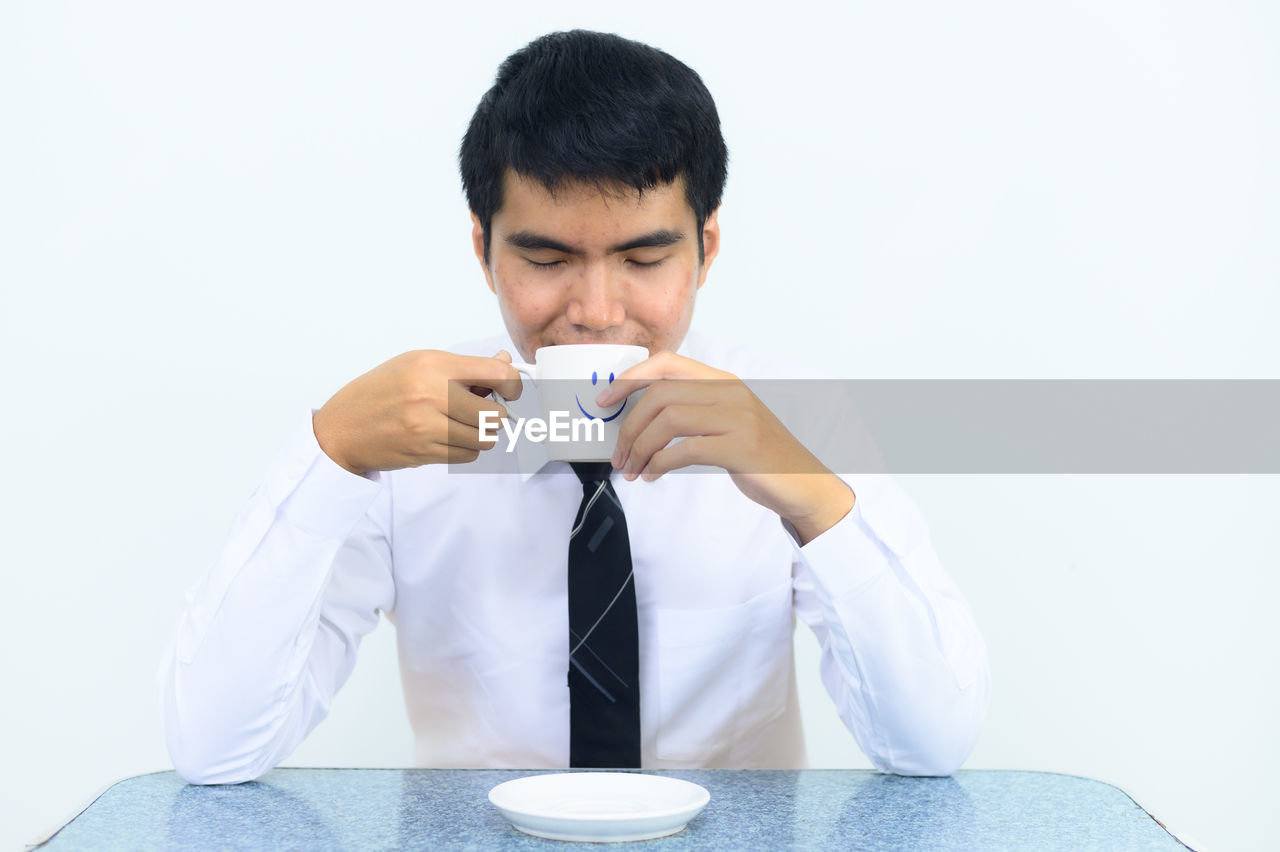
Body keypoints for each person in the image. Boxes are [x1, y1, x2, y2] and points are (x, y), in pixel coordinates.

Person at [158, 29, 989, 784]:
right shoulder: (408, 436)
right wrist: (329, 452)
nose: (595, 309)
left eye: (643, 257)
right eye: (549, 258)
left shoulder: (793, 414)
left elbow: (931, 745)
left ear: (706, 251)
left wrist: (807, 490)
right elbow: (215, 750)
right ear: (484, 250)